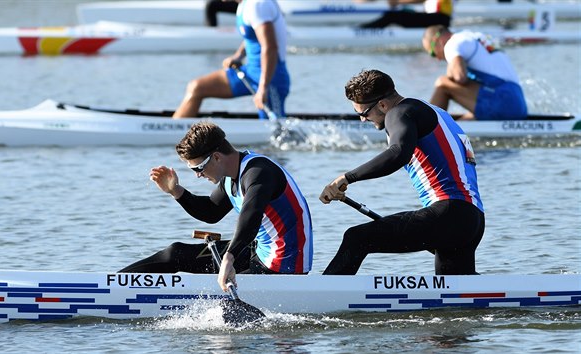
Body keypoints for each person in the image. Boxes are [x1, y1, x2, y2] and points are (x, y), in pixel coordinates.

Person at [319, 69, 485, 275]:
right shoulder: (435, 111)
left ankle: (319, 299)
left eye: (364, 113)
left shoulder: (399, 113)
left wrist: (347, 177)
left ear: (382, 104)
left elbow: (398, 153)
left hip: (448, 213)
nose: (363, 120)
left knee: (357, 238)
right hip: (472, 219)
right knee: (457, 296)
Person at [120, 122, 313, 292]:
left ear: (217, 157)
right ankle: (111, 284)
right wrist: (176, 191)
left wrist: (228, 259)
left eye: (198, 168)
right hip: (259, 251)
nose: (197, 175)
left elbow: (250, 219)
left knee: (213, 294)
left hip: (284, 266)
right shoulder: (230, 175)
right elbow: (211, 212)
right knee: (175, 253)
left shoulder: (259, 173)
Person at [173, 0, 290, 119]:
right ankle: (175, 131)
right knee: (197, 87)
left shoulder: (258, 4)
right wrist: (238, 56)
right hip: (250, 73)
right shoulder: (244, 5)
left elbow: (270, 47)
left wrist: (263, 87)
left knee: (275, 131)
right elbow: (253, 36)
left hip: (271, 78)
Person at [422, 25, 527, 120]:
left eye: (432, 53)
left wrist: (450, 73)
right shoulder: (475, 36)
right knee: (463, 121)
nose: (438, 59)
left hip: (502, 101)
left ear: (438, 41)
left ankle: (426, 131)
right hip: (519, 105)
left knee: (442, 83)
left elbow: (460, 77)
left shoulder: (452, 44)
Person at [357, 0, 452, 29]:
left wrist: (398, 2)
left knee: (391, 16)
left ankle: (363, 30)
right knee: (395, 14)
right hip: (435, 18)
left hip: (439, 19)